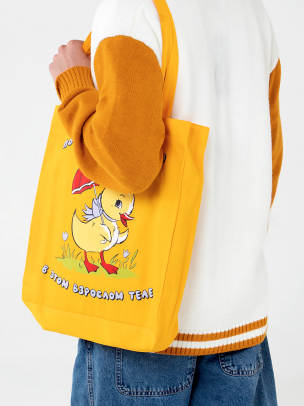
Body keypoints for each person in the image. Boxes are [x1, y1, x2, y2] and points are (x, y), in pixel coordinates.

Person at [48, 0, 282, 404]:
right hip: (240, 323)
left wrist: (75, 87)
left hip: (144, 323)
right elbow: (269, 162)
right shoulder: (251, 12)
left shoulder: (133, 12)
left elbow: (128, 166)